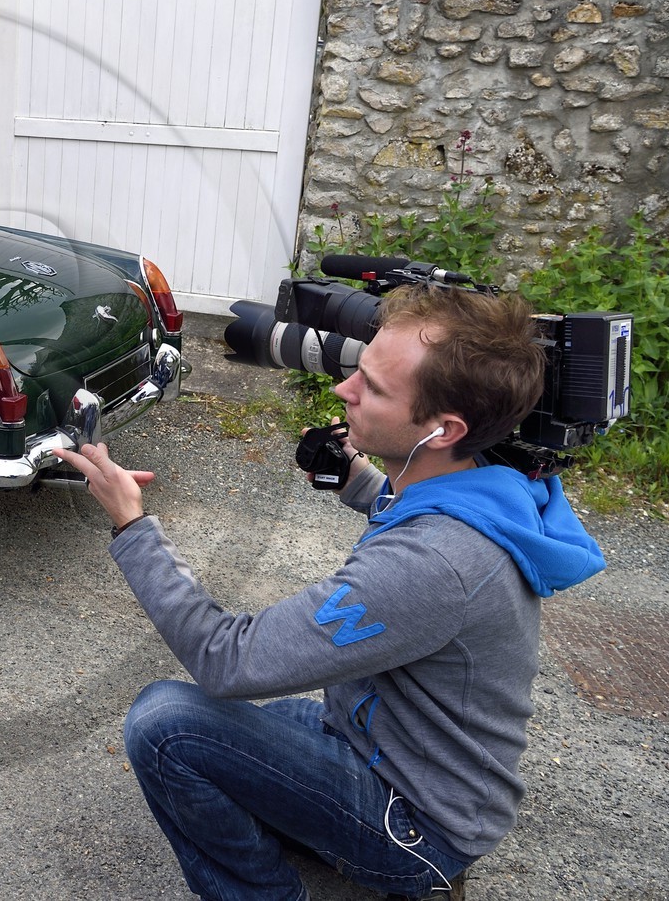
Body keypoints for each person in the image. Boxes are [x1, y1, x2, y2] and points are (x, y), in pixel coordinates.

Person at [54, 284, 605, 901]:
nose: (344, 391)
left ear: (444, 429)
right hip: (387, 743)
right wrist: (359, 480)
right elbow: (418, 512)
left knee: (168, 724)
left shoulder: (436, 563)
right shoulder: (491, 486)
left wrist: (132, 526)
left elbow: (227, 659)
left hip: (419, 826)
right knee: (263, 726)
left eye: (372, 387)